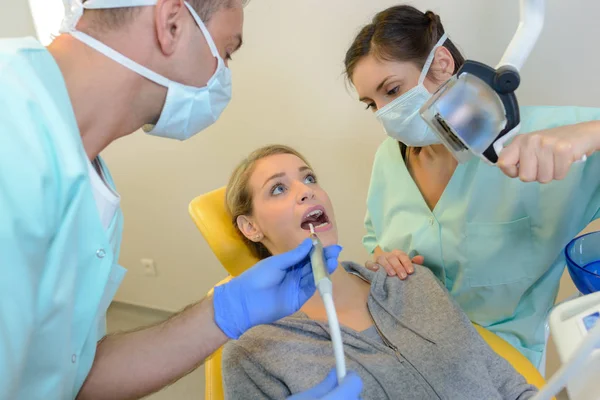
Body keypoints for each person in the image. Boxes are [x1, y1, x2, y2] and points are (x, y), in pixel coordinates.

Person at [0, 1, 362, 399]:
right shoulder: (11, 123)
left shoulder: (92, 186)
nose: (223, 77)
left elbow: (72, 375)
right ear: (171, 23)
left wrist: (222, 314)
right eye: (225, 52)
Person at [343, 5, 600, 370]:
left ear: (442, 63)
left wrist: (588, 134)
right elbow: (377, 241)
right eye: (373, 104)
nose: (386, 115)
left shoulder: (543, 139)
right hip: (408, 356)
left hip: (503, 369)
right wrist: (384, 260)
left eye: (393, 90)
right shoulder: (389, 157)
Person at [220, 144, 539, 399]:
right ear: (250, 227)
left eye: (309, 178)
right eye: (277, 189)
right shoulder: (253, 353)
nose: (307, 191)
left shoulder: (408, 281)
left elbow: (500, 379)